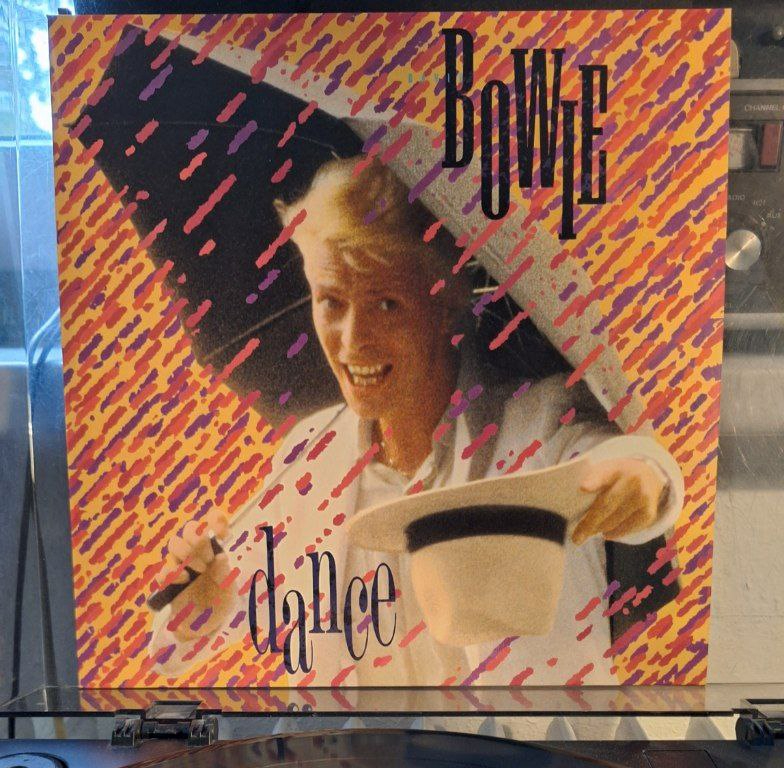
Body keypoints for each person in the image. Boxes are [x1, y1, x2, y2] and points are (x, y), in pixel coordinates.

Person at [148, 158, 682, 686]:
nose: (352, 341)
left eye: (386, 303)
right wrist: (200, 607)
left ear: (446, 302)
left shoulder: (539, 422)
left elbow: (625, 461)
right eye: (331, 301)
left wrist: (641, 477)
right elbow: (190, 634)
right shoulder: (307, 457)